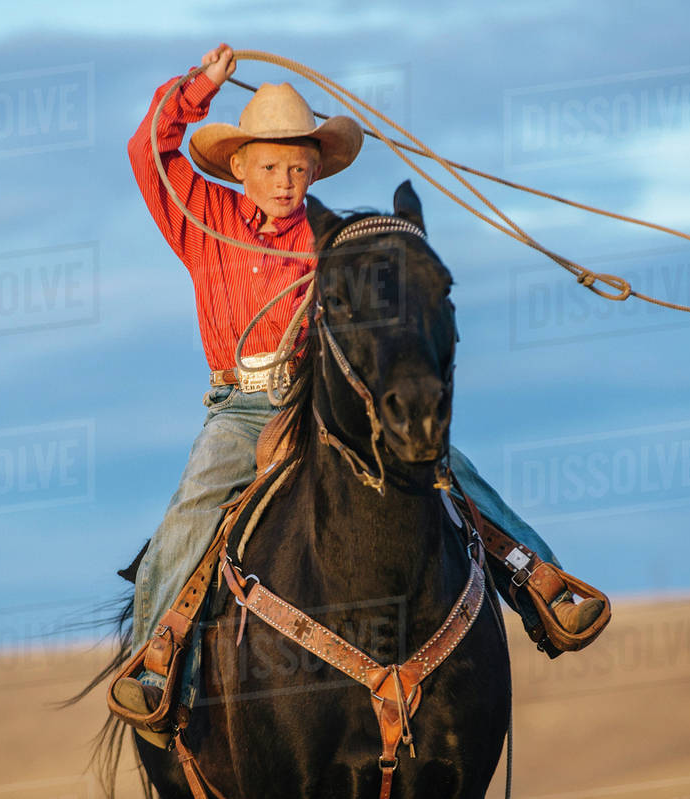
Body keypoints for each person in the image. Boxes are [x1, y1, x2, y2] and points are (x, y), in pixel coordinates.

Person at [115, 43, 603, 748]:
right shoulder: (204, 219)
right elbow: (147, 152)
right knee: (190, 513)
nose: (286, 180)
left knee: (441, 463)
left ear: (316, 168)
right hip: (241, 405)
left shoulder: (338, 238)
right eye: (272, 165)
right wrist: (200, 87)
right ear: (239, 165)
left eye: (299, 166)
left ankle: (539, 579)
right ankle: (160, 664)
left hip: (322, 401)